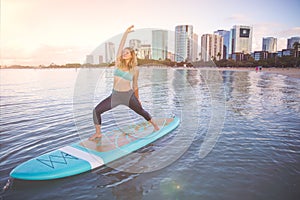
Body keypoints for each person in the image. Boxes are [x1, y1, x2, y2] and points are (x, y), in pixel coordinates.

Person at [89, 25, 159, 141]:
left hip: (128, 96)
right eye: (123, 52)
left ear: (132, 55)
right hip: (115, 96)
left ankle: (155, 125)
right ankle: (98, 133)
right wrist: (126, 33)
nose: (124, 53)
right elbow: (120, 45)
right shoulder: (117, 63)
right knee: (96, 111)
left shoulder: (135, 69)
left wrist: (138, 99)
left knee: (141, 112)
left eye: (127, 52)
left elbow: (135, 85)